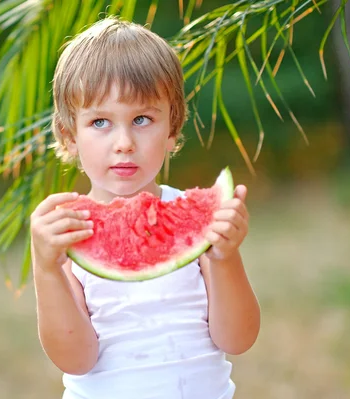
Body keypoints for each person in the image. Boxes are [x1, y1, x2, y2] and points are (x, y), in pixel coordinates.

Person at [30, 16, 260, 399]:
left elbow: (238, 339)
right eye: (100, 121)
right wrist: (47, 269)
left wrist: (225, 258)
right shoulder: (69, 232)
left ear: (172, 128)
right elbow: (76, 360)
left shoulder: (202, 228)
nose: (123, 142)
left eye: (142, 119)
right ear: (68, 136)